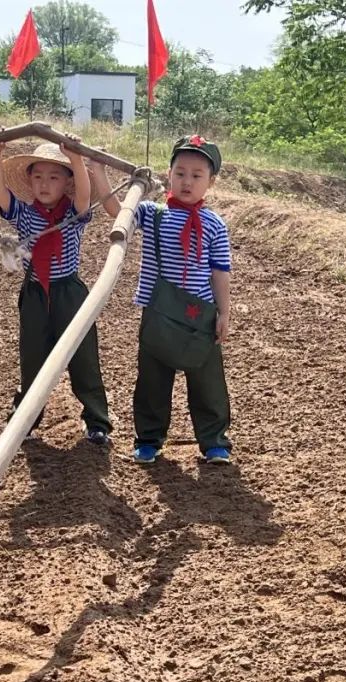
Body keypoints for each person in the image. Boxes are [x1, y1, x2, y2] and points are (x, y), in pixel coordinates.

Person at [93, 134, 233, 464]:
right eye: (180, 172)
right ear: (169, 174)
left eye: (197, 176)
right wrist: (97, 171)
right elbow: (118, 213)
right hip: (157, 313)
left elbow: (220, 271)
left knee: (207, 383)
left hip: (200, 314)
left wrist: (224, 312)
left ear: (210, 182)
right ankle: (149, 440)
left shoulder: (214, 224)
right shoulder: (151, 214)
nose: (187, 181)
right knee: (152, 381)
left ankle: (214, 442)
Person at [0, 136, 112, 445]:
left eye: (54, 177)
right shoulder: (23, 213)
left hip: (68, 293)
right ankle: (25, 420)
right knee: (33, 357)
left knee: (82, 357)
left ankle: (97, 421)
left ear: (66, 182)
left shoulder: (74, 214)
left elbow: (85, 194)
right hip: (34, 293)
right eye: (38, 177)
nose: (45, 184)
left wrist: (77, 161)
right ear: (29, 181)